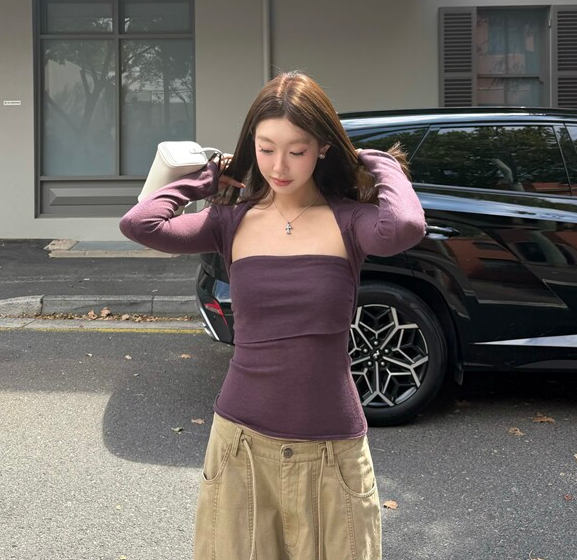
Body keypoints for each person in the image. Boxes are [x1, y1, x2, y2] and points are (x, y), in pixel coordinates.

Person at [119, 71, 427, 560]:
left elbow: (405, 225)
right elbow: (140, 224)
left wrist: (378, 162)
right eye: (265, 149)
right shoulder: (230, 219)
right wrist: (203, 180)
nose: (278, 166)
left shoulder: (349, 220)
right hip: (240, 446)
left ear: (323, 148)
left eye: (296, 151)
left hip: (333, 453)